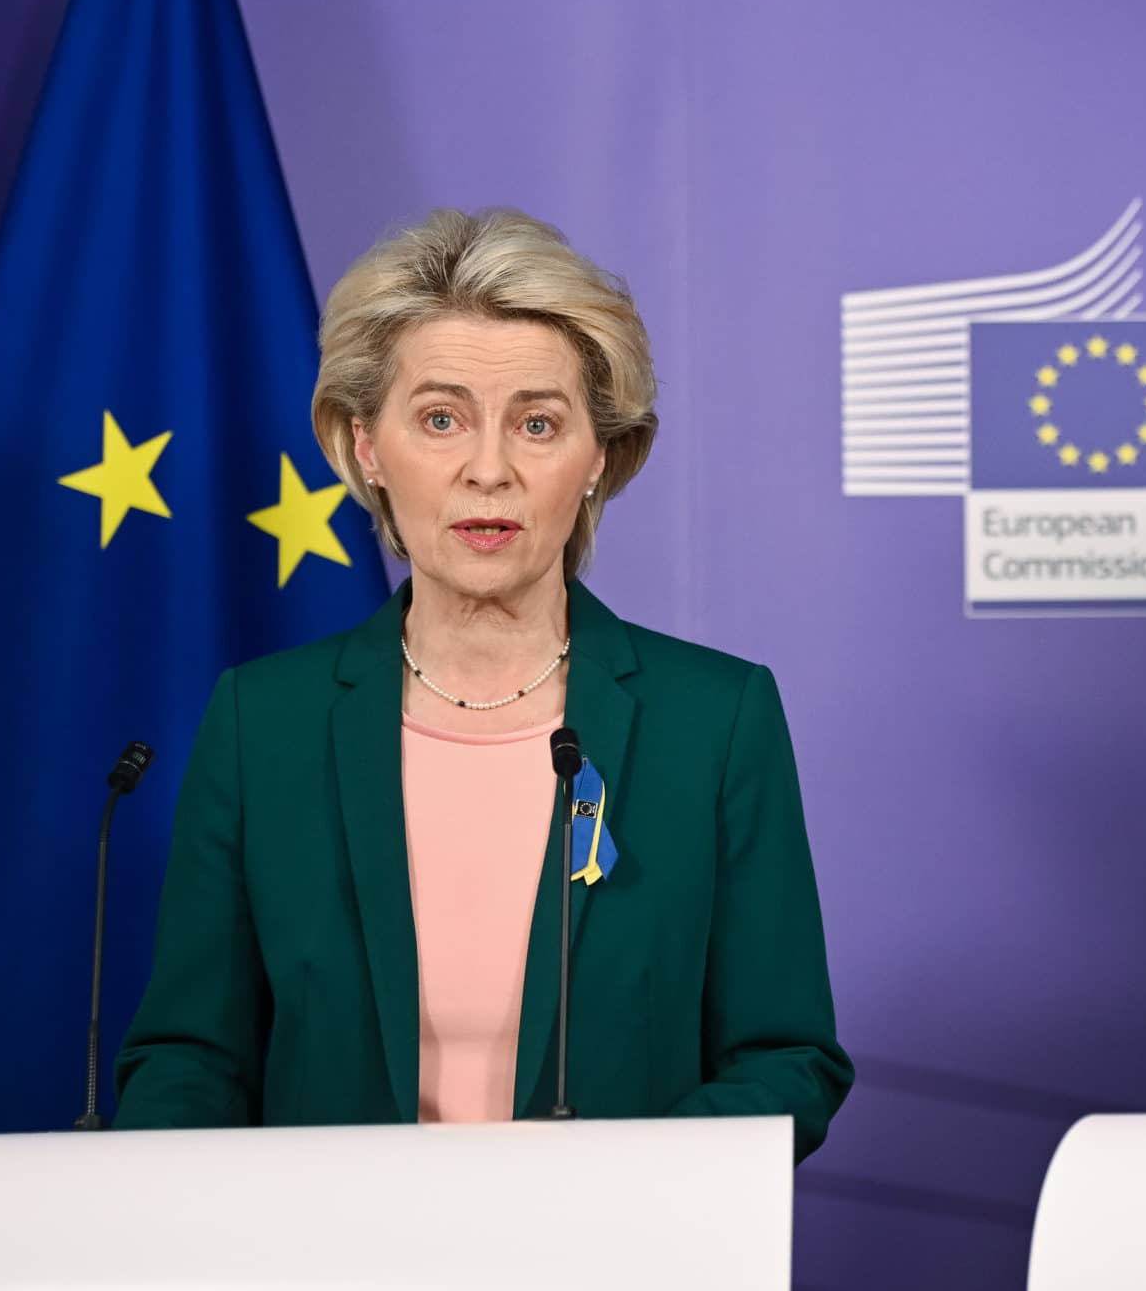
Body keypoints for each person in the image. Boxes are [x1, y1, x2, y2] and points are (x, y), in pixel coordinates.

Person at [117, 209, 850, 1155]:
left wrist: (621, 1194)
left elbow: (787, 1060)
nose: (489, 470)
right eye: (440, 419)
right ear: (366, 447)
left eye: (538, 424)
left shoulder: (712, 721)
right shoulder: (265, 725)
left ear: (600, 458)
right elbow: (190, 1059)